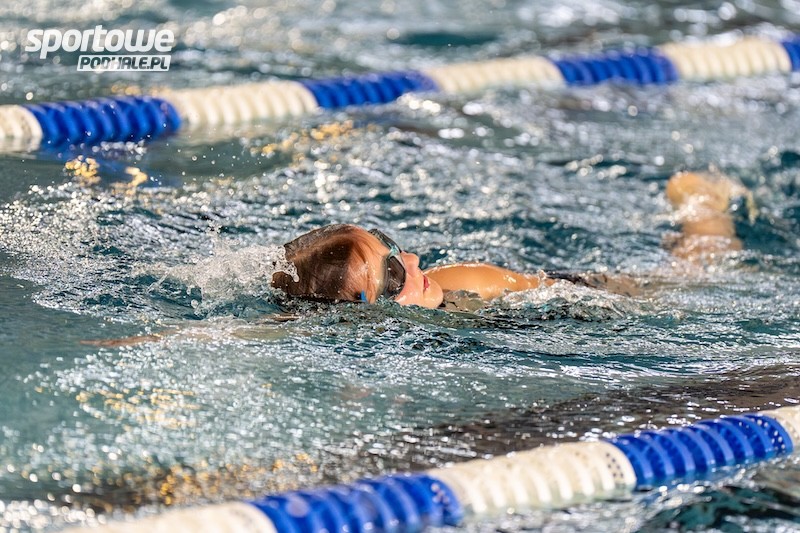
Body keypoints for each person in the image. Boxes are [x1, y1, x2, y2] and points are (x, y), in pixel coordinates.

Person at [271, 171, 752, 310]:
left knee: (691, 276)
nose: (413, 258)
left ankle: (703, 210)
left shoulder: (469, 283)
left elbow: (612, 304)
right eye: (394, 273)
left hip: (572, 291)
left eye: (390, 243)